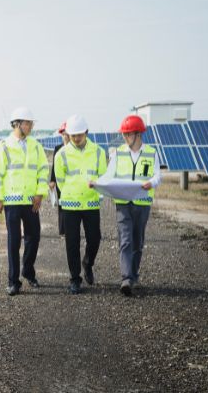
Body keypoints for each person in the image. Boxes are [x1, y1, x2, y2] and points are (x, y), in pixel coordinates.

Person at [0, 107, 49, 296]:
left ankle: (28, 271)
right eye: (27, 123)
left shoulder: (36, 146)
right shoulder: (3, 146)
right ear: (17, 124)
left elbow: (43, 171)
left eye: (31, 123)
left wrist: (39, 194)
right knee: (14, 241)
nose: (30, 126)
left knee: (34, 237)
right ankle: (13, 281)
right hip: (12, 202)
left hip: (31, 201)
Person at [99, 115, 161, 296]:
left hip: (142, 203)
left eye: (128, 134)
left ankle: (133, 274)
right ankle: (126, 279)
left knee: (137, 242)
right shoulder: (118, 152)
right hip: (123, 203)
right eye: (124, 134)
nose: (125, 138)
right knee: (125, 240)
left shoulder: (151, 152)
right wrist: (97, 183)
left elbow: (158, 175)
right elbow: (109, 175)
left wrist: (152, 183)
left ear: (138, 134)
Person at [54, 114, 107, 294]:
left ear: (86, 132)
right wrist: (72, 192)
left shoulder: (99, 151)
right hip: (70, 204)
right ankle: (75, 279)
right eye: (73, 135)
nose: (76, 138)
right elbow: (60, 180)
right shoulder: (61, 154)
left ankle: (88, 263)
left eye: (79, 135)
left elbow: (103, 175)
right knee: (72, 243)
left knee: (95, 239)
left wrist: (94, 190)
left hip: (91, 203)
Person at [49, 122, 69, 237]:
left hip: (71, 181)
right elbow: (54, 166)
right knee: (61, 205)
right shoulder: (58, 148)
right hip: (60, 181)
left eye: (66, 133)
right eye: (63, 134)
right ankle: (63, 230)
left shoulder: (75, 149)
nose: (65, 136)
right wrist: (52, 180)